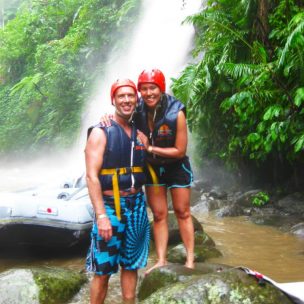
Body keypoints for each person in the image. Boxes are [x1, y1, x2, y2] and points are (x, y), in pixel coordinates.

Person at [101, 69, 195, 273]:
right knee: (160, 214)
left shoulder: (176, 112)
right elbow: (120, 115)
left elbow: (180, 151)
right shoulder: (137, 109)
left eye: (152, 88)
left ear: (161, 88)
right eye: (143, 89)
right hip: (152, 168)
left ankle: (190, 260)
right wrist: (107, 117)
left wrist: (150, 148)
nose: (148, 93)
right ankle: (162, 259)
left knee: (182, 212)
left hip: (177, 167)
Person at [85, 79, 150, 304]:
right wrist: (101, 216)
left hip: (138, 206)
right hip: (112, 207)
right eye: (121, 96)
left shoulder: (139, 135)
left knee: (132, 265)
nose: (126, 100)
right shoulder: (101, 132)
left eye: (131, 96)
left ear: (136, 100)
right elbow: (92, 176)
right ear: (113, 100)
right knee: (103, 271)